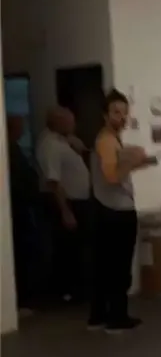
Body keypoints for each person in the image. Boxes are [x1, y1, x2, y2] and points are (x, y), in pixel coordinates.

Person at [88, 89, 157, 333]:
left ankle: (98, 316)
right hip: (116, 212)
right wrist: (133, 161)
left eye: (125, 113)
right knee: (118, 267)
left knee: (104, 265)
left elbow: (116, 172)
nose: (122, 117)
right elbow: (112, 176)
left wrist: (139, 163)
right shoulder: (107, 140)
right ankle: (117, 318)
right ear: (105, 115)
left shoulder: (109, 140)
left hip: (106, 208)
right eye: (116, 112)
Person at [37, 107, 91, 304]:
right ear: (58, 122)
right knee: (67, 250)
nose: (74, 125)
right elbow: (53, 181)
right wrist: (66, 211)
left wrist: (79, 147)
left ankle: (78, 289)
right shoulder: (50, 145)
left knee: (78, 248)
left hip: (79, 202)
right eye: (70, 121)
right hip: (66, 203)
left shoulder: (64, 141)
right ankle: (66, 293)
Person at [6, 114, 41, 313]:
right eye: (20, 127)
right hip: (18, 207)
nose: (23, 131)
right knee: (22, 252)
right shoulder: (9, 150)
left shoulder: (16, 148)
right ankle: (21, 299)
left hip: (25, 206)